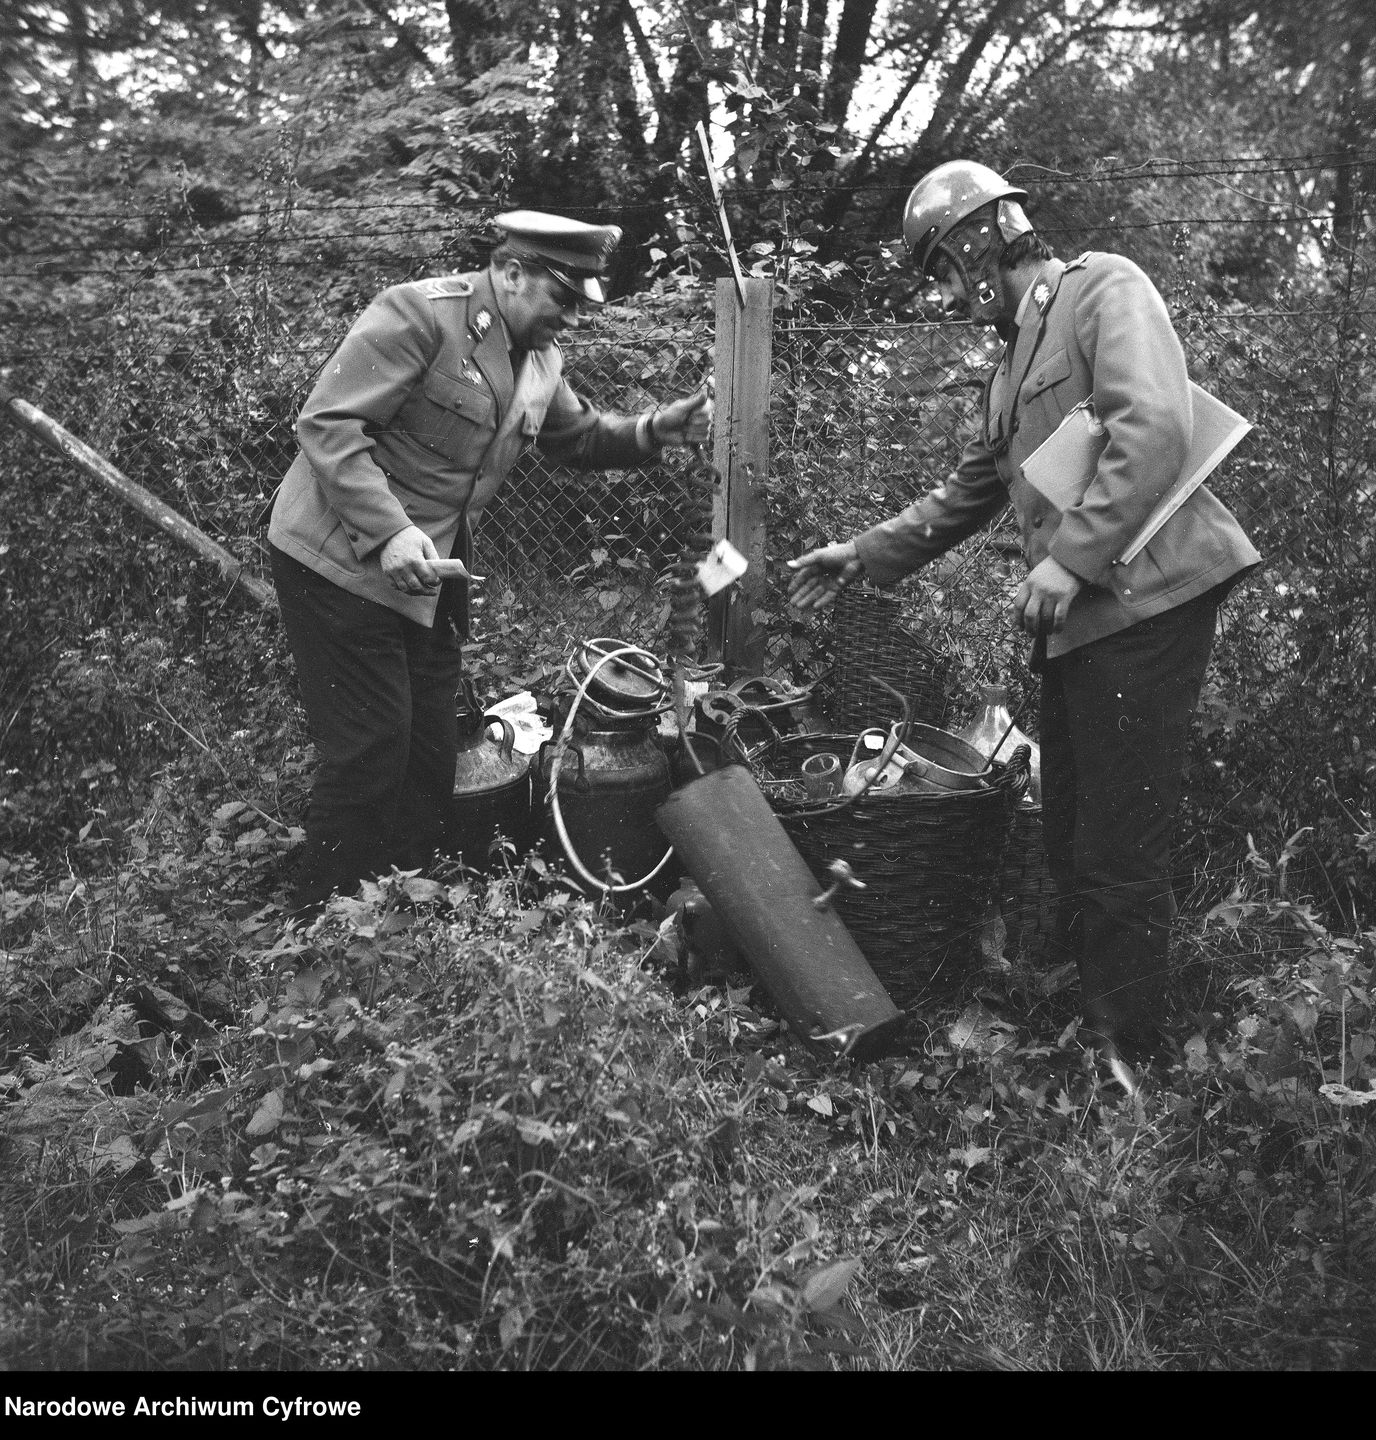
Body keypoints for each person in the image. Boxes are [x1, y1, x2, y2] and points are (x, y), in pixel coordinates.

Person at [788, 161, 1260, 1077]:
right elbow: (966, 493)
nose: (943, 291)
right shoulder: (1008, 368)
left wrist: (1068, 557)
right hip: (1086, 623)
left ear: (976, 241)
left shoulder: (1102, 288)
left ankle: (1127, 1058)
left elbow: (1154, 425)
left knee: (1120, 840)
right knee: (1073, 825)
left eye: (940, 267)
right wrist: (862, 553)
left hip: (1149, 601)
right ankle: (1097, 1015)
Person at [268, 209, 713, 916]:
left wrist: (660, 428)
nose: (570, 317)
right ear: (511, 273)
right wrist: (388, 534)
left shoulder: (539, 359)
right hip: (339, 561)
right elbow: (329, 423)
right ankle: (316, 925)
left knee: (429, 754)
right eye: (563, 297)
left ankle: (399, 905)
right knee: (370, 752)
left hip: (430, 576)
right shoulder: (419, 314)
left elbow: (578, 439)